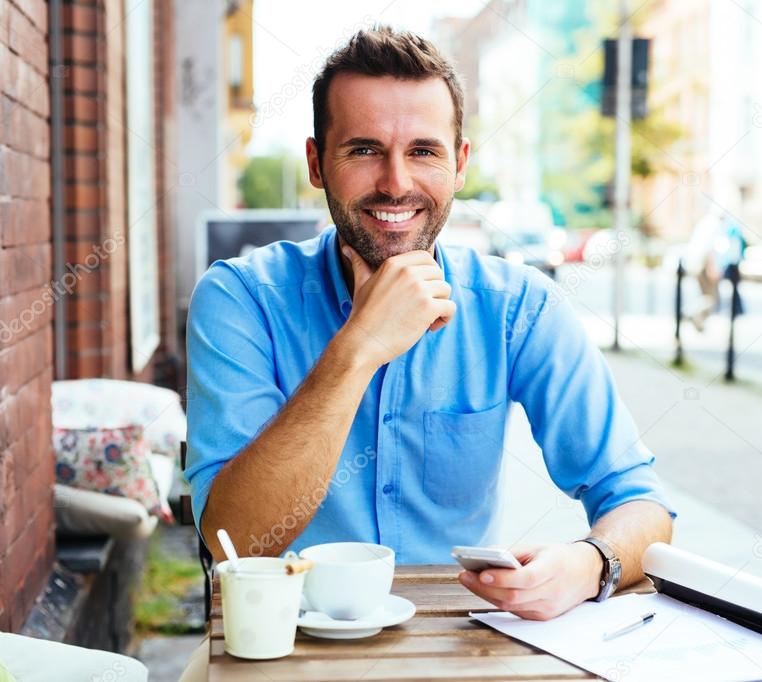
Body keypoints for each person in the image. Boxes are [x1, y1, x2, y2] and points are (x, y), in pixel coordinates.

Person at [184, 26, 674, 622]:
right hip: (286, 641)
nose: (396, 182)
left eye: (423, 151)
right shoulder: (241, 299)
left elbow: (642, 503)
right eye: (363, 150)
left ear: (459, 163)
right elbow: (232, 541)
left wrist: (591, 562)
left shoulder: (518, 308)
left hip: (456, 638)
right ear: (317, 163)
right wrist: (360, 345)